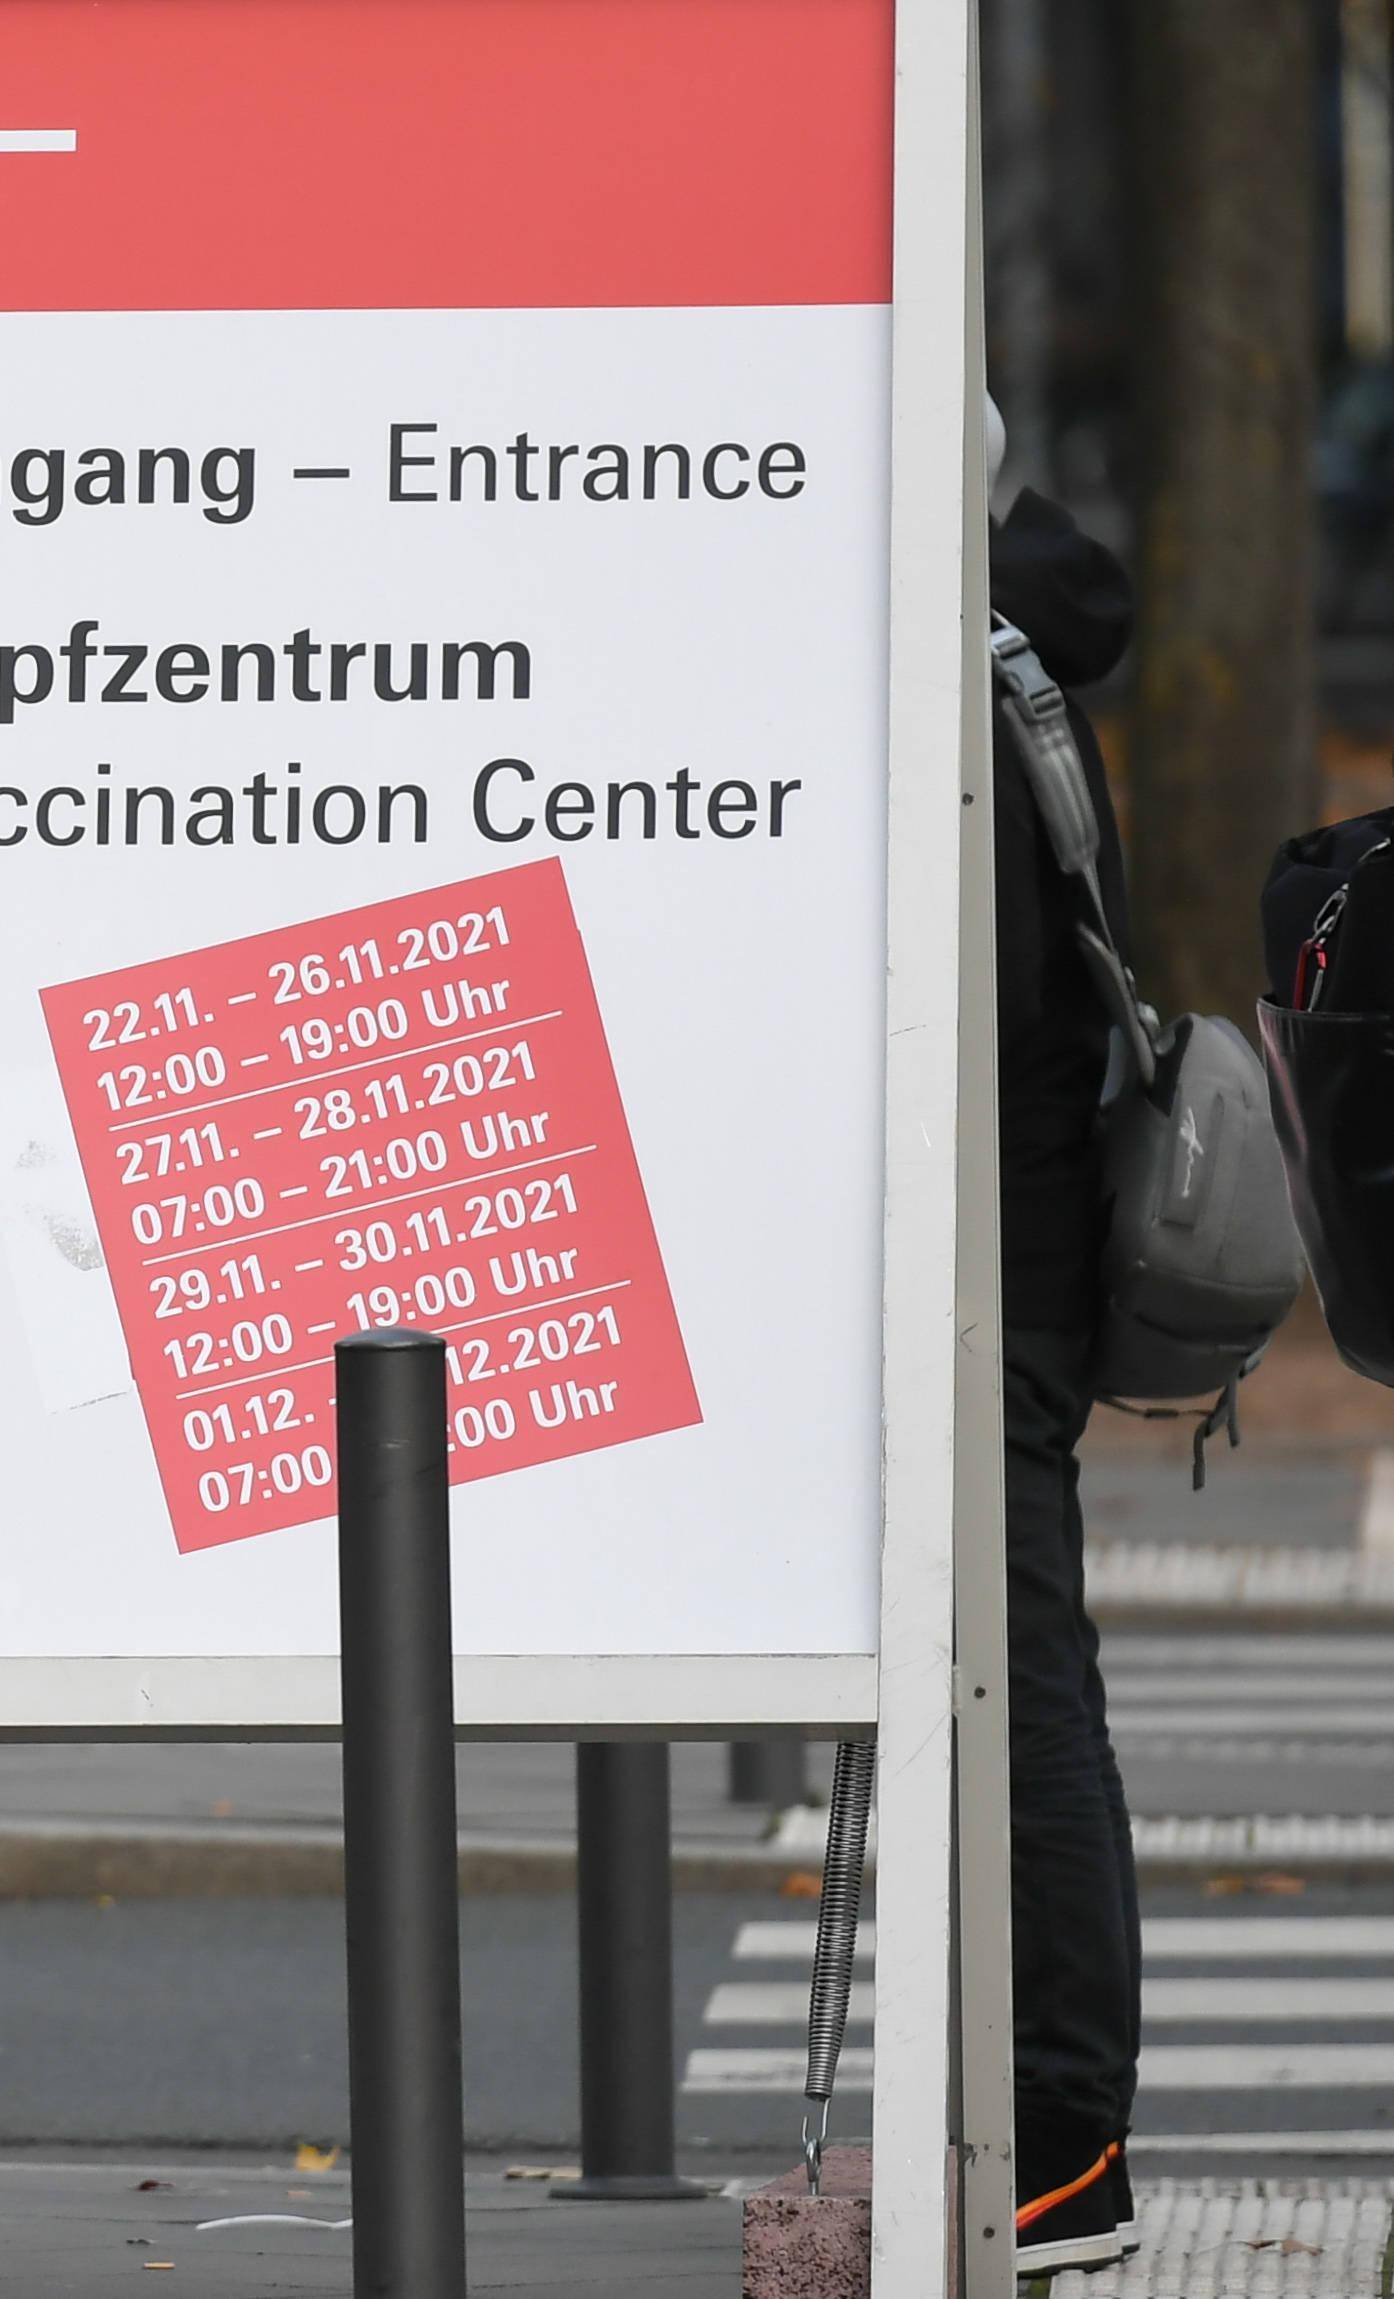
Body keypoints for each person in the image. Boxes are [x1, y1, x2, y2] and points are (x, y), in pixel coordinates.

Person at [986, 403, 1145, 2277]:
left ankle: (1062, 2148)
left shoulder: (956, 680)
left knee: (1025, 1702)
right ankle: (1045, 2130)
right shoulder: (1012, 656)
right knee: (1027, 1694)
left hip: (992, 1275)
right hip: (1025, 1258)